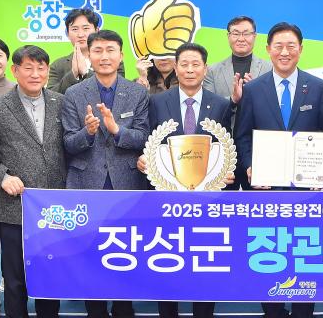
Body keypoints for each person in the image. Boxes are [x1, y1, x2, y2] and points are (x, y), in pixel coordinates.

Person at [235, 22, 323, 318]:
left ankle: (304, 311)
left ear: (301, 50)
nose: (284, 52)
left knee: (304, 257)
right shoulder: (253, 90)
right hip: (266, 192)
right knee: (269, 256)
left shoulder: (318, 88)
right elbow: (242, 135)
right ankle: (273, 312)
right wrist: (250, 166)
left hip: (307, 192)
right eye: (278, 46)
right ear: (268, 50)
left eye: (291, 46)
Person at [136, 42, 232, 318]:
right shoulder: (156, 102)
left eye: (195, 64)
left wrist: (226, 170)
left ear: (205, 68)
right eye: (184, 64)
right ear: (176, 68)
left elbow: (226, 146)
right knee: (168, 260)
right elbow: (149, 141)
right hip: (166, 199)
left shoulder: (221, 105)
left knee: (204, 261)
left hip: (207, 200)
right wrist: (143, 158)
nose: (190, 70)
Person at [0, 45, 65, 318]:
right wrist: (2, 177)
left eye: (41, 68)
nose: (35, 74)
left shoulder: (61, 102)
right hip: (15, 207)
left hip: (54, 207)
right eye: (28, 68)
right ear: (15, 70)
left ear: (47, 70)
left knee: (51, 276)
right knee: (15, 279)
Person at [61, 29, 149, 318]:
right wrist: (87, 133)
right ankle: (94, 310)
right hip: (86, 184)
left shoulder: (137, 92)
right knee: (89, 254)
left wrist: (116, 130)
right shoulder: (74, 94)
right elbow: (68, 143)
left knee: (126, 251)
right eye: (97, 50)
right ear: (89, 55)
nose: (104, 56)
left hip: (127, 184)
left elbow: (144, 138)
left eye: (111, 50)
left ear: (121, 56)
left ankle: (124, 308)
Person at [203, 16, 272, 190]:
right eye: (235, 33)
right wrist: (233, 99)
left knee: (258, 201)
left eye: (246, 33)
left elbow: (275, 107)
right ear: (228, 36)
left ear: (255, 36)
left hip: (258, 147)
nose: (241, 38)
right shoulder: (212, 70)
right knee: (223, 201)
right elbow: (208, 108)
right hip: (223, 148)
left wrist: (255, 92)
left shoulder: (269, 68)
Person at [48, 8, 125, 94]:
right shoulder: (58, 65)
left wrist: (86, 73)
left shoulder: (112, 61)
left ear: (96, 31)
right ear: (68, 34)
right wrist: (73, 75)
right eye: (75, 29)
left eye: (86, 28)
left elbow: (119, 91)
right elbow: (50, 97)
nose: (80, 34)